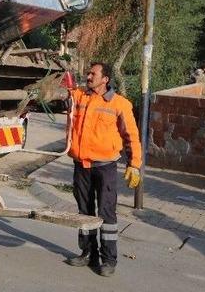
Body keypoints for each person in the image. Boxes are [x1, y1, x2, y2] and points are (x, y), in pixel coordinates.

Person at [64, 62, 142, 277]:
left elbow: (131, 136)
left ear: (105, 79)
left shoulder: (120, 104)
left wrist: (134, 164)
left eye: (93, 74)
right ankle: (88, 254)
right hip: (81, 166)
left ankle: (109, 260)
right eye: (88, 73)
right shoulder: (80, 96)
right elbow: (64, 90)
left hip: (105, 167)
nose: (88, 76)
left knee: (106, 214)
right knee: (84, 213)